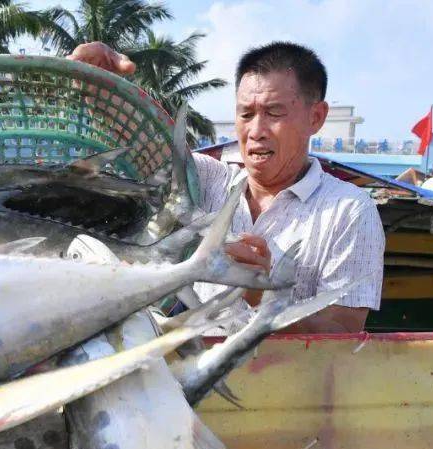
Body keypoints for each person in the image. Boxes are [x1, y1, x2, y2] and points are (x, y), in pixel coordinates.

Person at [70, 41, 384, 333]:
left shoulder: (350, 210)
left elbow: (342, 328)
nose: (256, 131)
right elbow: (144, 146)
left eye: (274, 113)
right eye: (246, 114)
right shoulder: (206, 179)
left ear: (315, 117)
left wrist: (260, 294)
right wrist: (102, 89)